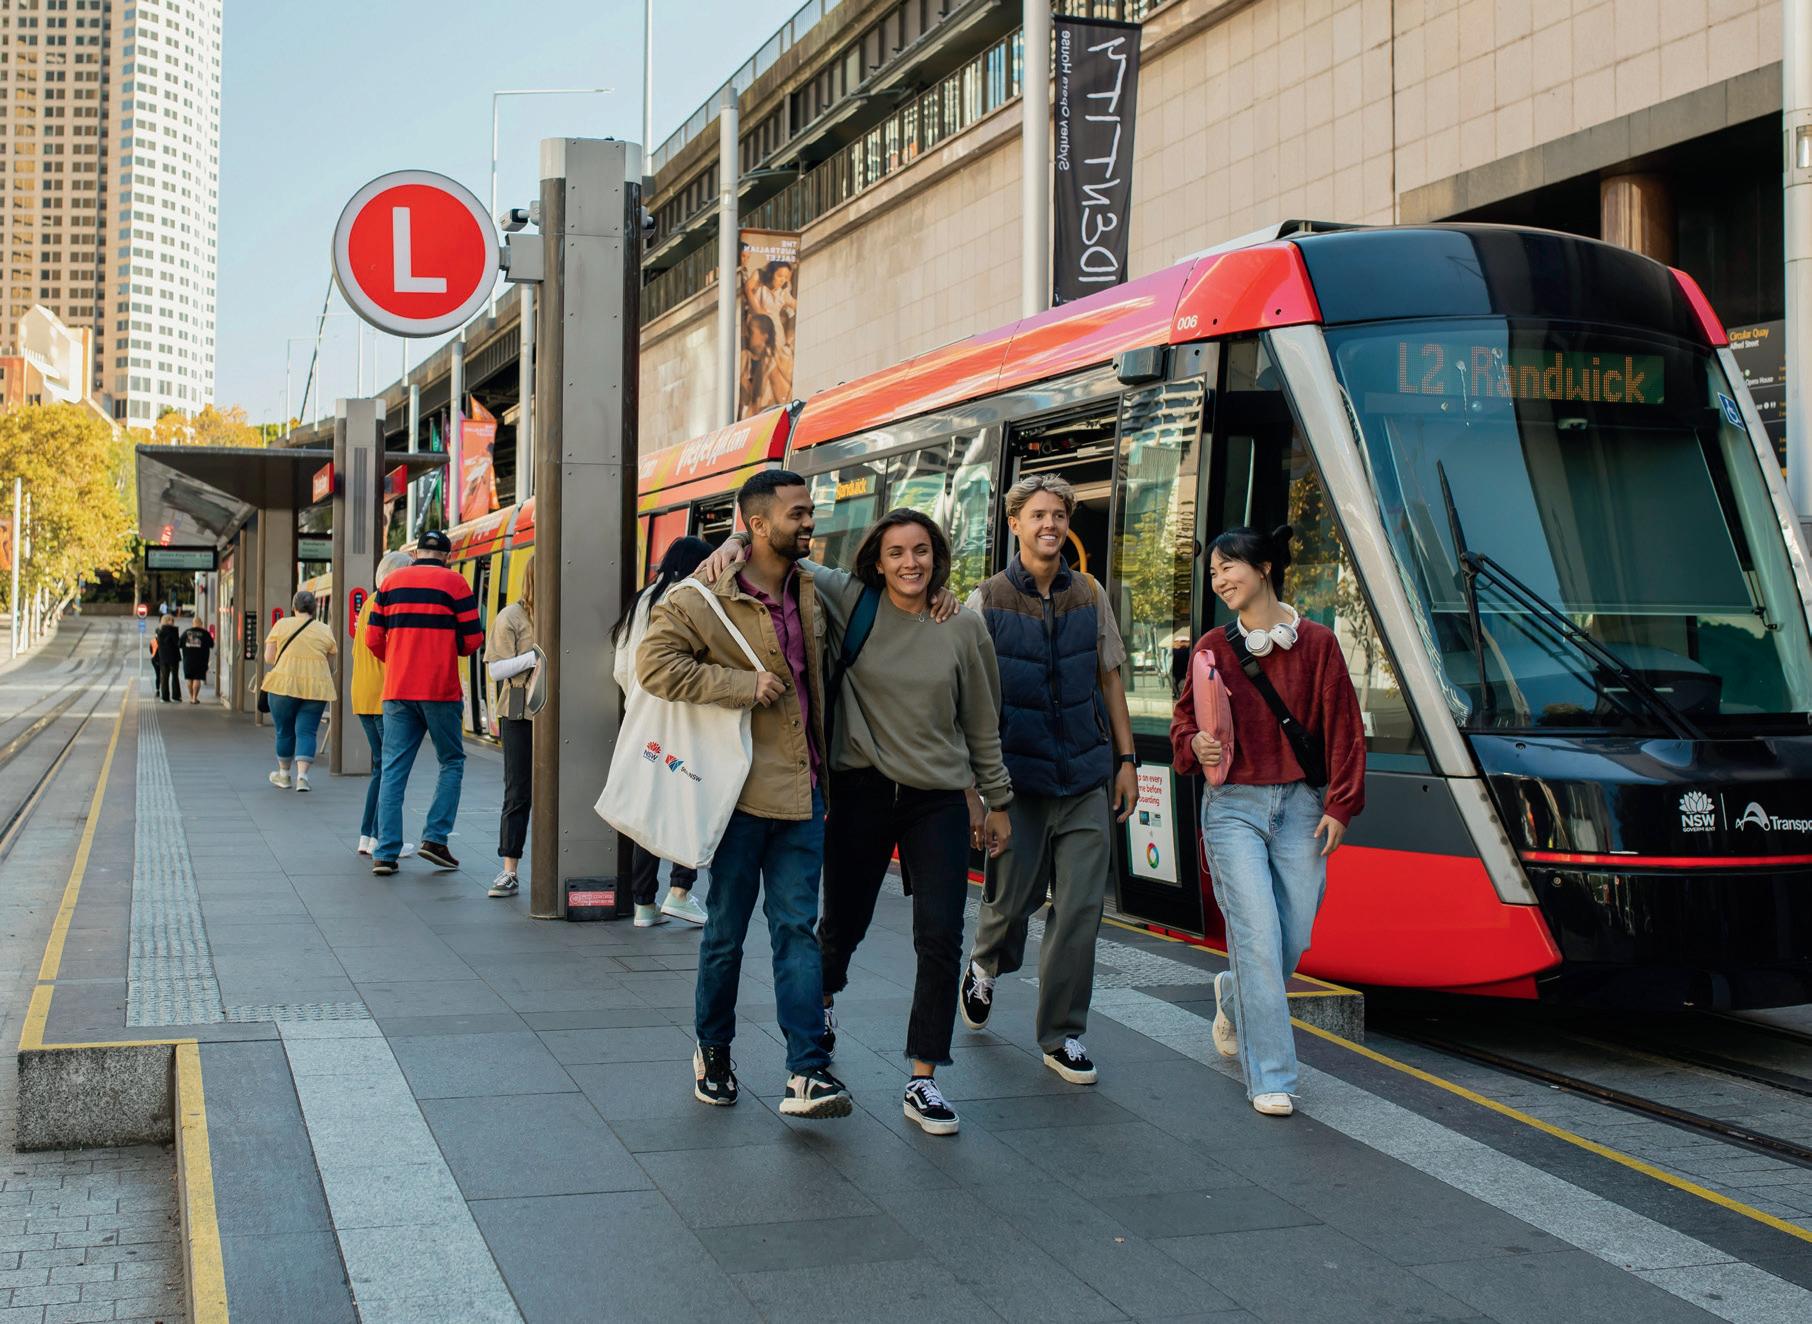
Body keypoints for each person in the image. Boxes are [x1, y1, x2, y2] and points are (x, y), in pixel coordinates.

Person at [637, 469, 851, 1120]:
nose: (809, 522)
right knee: (726, 935)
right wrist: (740, 685)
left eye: (809, 511)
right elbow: (654, 665)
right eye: (797, 513)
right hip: (735, 797)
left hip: (804, 794)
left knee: (796, 933)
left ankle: (807, 1071)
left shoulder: (815, 589)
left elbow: (886, 588)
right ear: (758, 524)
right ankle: (714, 1052)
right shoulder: (703, 598)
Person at [811, 509, 1012, 1136]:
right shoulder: (851, 599)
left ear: (936, 556)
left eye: (920, 550)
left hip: (938, 800)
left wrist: (996, 800)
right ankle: (823, 1001)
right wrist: (733, 542)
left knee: (941, 935)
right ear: (876, 559)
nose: (909, 563)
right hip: (862, 791)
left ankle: (924, 1077)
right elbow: (780, 552)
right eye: (896, 552)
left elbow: (981, 721)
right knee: (842, 925)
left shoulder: (963, 626)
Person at [1170, 526, 1365, 1116]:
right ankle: (1273, 1077)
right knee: (1256, 937)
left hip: (1301, 805)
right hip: (1233, 807)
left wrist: (1340, 804)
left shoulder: (1319, 643)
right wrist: (1195, 744)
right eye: (1213, 573)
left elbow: (1345, 727)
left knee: (1294, 935)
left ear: (1264, 568)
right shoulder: (1212, 645)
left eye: (1229, 567)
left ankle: (1234, 997)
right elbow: (1184, 722)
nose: (1220, 580)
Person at [959, 473, 1139, 1086]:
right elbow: (965, 698)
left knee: (1081, 907)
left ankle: (1062, 1035)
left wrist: (1126, 761)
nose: (1050, 525)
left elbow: (1109, 676)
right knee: (1012, 900)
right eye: (1037, 515)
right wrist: (977, 792)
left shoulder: (1089, 593)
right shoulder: (986, 600)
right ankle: (985, 962)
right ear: (1015, 523)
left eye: (1059, 515)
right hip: (1017, 781)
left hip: (1085, 775)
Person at [363, 529, 483, 877]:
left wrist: (398, 659)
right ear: (447, 556)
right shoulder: (456, 584)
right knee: (451, 761)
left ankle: (385, 853)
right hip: (439, 689)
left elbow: (372, 638)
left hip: (397, 690)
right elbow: (473, 639)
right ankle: (435, 839)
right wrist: (445, 649)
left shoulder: (390, 584)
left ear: (415, 553)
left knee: (392, 769)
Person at [612, 537, 713, 927]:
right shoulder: (693, 599)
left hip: (642, 721)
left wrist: (639, 700)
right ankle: (680, 892)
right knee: (690, 800)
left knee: (649, 808)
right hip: (684, 722)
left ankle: (643, 904)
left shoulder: (642, 601)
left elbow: (622, 668)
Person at [352, 552, 417, 861]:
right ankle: (384, 839)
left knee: (381, 768)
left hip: (363, 695)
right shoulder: (391, 604)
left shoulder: (368, 603)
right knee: (390, 770)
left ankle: (368, 835)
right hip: (383, 696)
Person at [485, 556, 538, 899]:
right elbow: (495, 670)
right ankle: (509, 869)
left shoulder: (566, 613)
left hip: (556, 710)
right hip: (519, 710)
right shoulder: (511, 617)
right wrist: (534, 657)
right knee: (518, 790)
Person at [260, 590, 337, 792]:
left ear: (293, 607)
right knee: (307, 731)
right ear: (314, 609)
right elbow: (331, 665)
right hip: (315, 688)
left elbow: (269, 658)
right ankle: (303, 778)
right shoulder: (325, 630)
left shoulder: (281, 625)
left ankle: (284, 775)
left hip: (283, 686)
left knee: (284, 731)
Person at [179, 616, 213, 704]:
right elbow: (211, 644)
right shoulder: (205, 633)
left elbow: (179, 644)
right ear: (201, 624)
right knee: (197, 678)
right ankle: (194, 698)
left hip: (188, 660)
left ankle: (191, 697)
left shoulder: (186, 633)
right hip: (201, 660)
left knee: (189, 679)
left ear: (193, 623)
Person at [152, 615, 182, 703]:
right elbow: (177, 642)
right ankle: (176, 697)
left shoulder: (158, 631)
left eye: (172, 620)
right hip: (173, 656)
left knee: (164, 677)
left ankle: (165, 697)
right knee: (174, 677)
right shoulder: (173, 630)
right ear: (166, 621)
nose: (172, 622)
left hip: (163, 656)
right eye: (170, 620)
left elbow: (158, 643)